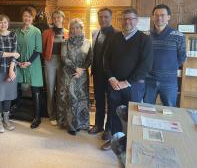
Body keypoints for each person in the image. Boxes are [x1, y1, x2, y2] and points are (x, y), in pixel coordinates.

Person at [103, 8, 153, 149]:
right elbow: (105, 60)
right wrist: (111, 78)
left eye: (131, 18)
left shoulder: (145, 39)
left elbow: (146, 65)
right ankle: (116, 140)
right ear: (121, 20)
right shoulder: (113, 38)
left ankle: (131, 142)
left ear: (136, 21)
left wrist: (127, 82)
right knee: (114, 113)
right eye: (124, 19)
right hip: (114, 85)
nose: (127, 21)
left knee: (132, 115)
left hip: (133, 86)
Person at [144, 4, 186, 107]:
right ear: (152, 17)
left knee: (170, 111)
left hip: (169, 82)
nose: (159, 17)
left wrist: (168, 68)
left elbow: (182, 57)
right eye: (156, 15)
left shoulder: (178, 36)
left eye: (162, 15)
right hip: (148, 81)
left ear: (168, 17)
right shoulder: (145, 36)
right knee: (146, 110)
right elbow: (142, 57)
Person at [57, 18, 91, 135]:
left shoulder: (88, 42)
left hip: (82, 75)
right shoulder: (65, 42)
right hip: (68, 74)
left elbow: (90, 58)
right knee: (70, 99)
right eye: (72, 28)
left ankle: (82, 123)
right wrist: (75, 68)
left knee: (82, 98)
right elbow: (64, 58)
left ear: (81, 29)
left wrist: (82, 69)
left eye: (77, 27)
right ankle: (70, 125)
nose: (75, 30)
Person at [88, 8, 116, 144]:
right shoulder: (94, 32)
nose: (103, 19)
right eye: (100, 17)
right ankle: (98, 125)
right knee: (98, 101)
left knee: (111, 103)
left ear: (111, 17)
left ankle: (108, 128)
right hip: (97, 73)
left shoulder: (117, 34)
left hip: (111, 76)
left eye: (106, 17)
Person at [0, 14, 20, 133]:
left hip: (11, 70)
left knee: (8, 95)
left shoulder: (13, 35)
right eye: (1, 22)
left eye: (5, 22)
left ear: (8, 24)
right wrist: (12, 54)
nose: (3, 24)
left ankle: (6, 119)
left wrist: (11, 70)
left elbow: (15, 50)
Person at [15, 6, 43, 129]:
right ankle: (17, 110)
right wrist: (17, 61)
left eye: (29, 16)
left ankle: (37, 116)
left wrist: (29, 62)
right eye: (25, 16)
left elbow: (38, 50)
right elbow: (14, 48)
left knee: (35, 90)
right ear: (22, 17)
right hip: (20, 64)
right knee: (18, 87)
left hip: (33, 64)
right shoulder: (16, 31)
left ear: (33, 18)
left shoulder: (36, 31)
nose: (27, 18)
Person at [42, 10, 69, 126]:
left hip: (63, 63)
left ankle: (60, 114)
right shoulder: (47, 32)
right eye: (55, 17)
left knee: (61, 90)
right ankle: (51, 114)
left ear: (63, 19)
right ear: (52, 19)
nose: (57, 19)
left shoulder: (68, 33)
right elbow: (43, 47)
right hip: (50, 61)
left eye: (59, 17)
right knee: (50, 89)